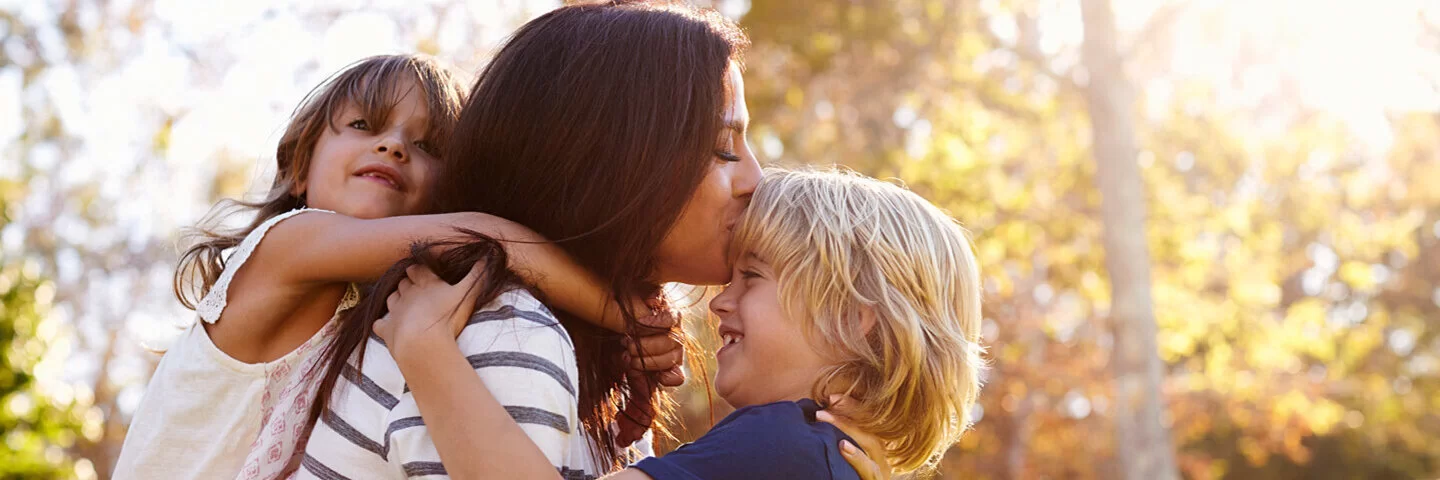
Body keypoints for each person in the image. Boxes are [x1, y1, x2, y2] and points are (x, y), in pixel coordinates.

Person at [114, 54, 680, 480]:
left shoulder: (377, 309)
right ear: (299, 169)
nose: (393, 147)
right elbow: (490, 238)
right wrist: (625, 314)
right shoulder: (284, 245)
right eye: (364, 125)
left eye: (427, 145)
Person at [296, 2, 762, 479]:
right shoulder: (504, 334)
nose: (756, 179)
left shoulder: (568, 347)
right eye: (724, 147)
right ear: (608, 160)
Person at [385, 168, 987, 480]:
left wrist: (425, 348)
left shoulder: (782, 445)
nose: (720, 303)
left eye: (752, 277)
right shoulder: (819, 458)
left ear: (857, 324)